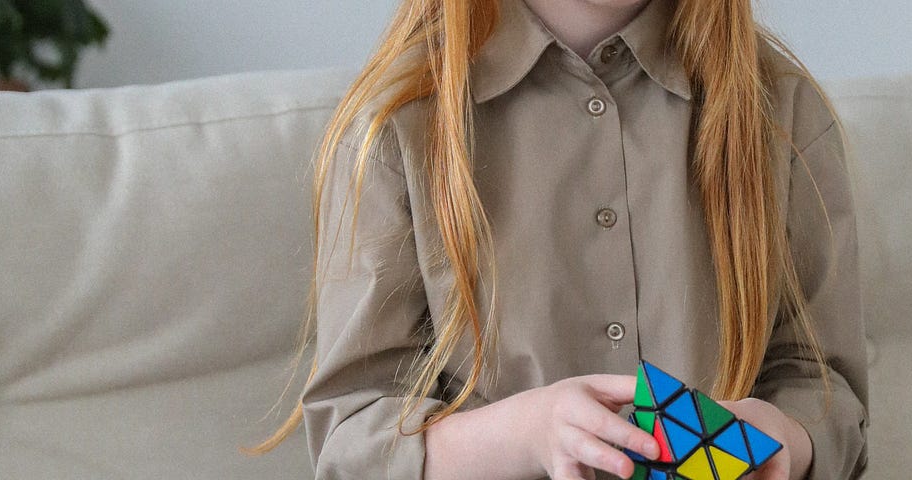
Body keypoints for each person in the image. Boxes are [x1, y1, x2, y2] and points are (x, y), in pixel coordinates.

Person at [247, 0, 868, 478]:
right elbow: (352, 440)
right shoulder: (397, 128)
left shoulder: (783, 111)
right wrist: (527, 434)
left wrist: (781, 435)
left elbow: (826, 387)